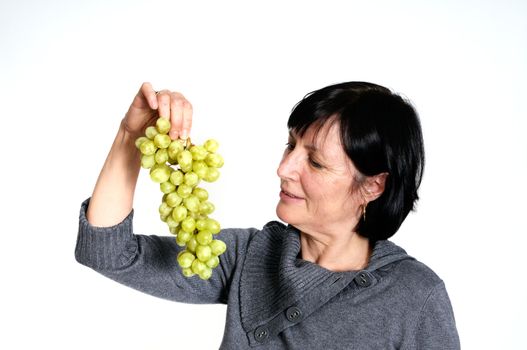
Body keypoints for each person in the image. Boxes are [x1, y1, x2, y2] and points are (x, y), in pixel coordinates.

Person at [75, 81, 460, 349]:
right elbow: (108, 252)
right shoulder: (251, 255)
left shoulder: (416, 296)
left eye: (315, 162)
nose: (285, 168)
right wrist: (131, 134)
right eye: (290, 145)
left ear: (373, 186)